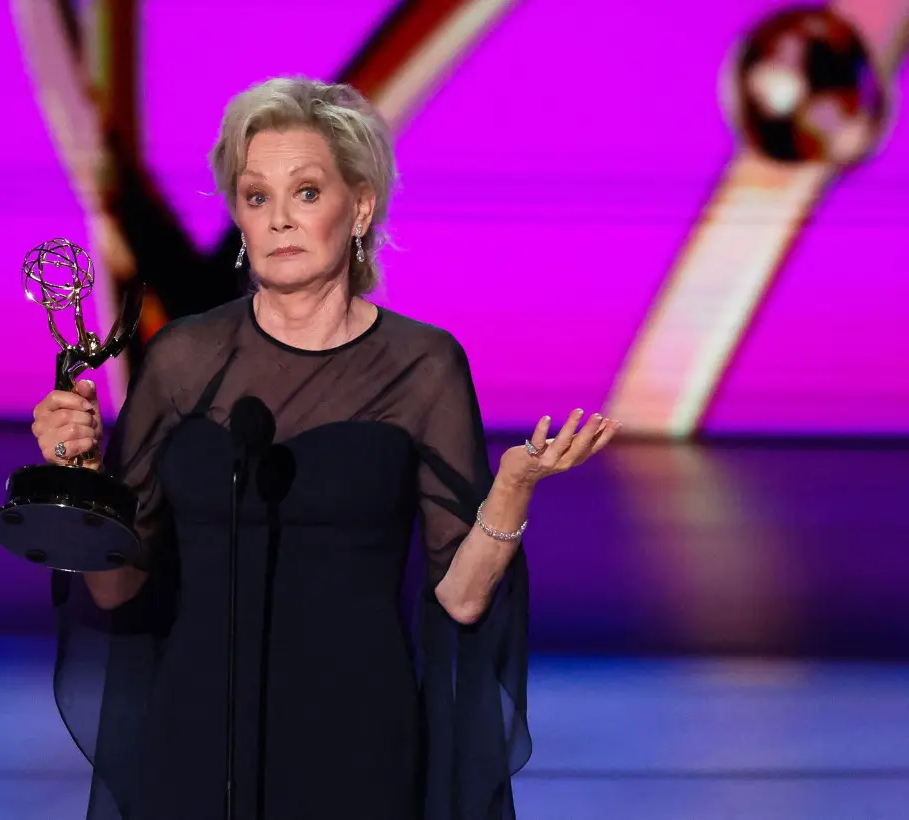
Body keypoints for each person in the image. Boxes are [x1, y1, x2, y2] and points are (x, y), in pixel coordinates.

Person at [30, 77, 620, 820]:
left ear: (361, 206)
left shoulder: (421, 365)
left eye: (306, 193)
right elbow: (116, 589)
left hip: (359, 742)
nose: (279, 219)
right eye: (255, 196)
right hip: (196, 742)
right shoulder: (182, 361)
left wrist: (510, 487)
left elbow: (462, 598)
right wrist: (78, 477)